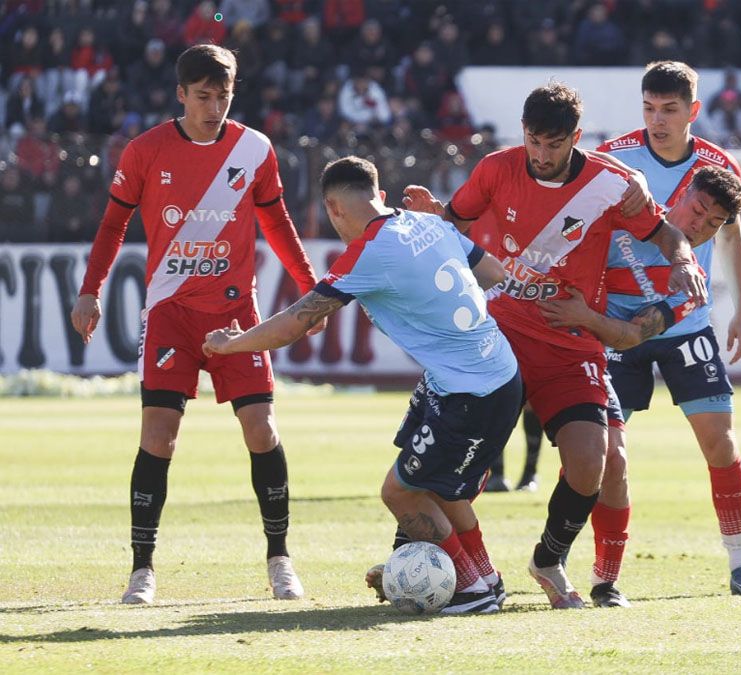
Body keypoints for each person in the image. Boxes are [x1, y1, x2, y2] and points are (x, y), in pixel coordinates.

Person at [402, 83, 705, 609]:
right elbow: (455, 222)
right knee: (454, 463)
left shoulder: (613, 185)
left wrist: (681, 261)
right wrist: (435, 215)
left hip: (570, 345)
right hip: (498, 340)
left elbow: (665, 234)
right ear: (523, 133)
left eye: (554, 145)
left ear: (576, 138)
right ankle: (411, 558)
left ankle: (549, 558)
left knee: (593, 460)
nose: (542, 156)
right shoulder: (497, 168)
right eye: (534, 142)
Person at [204, 156, 523, 614]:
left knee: (399, 492)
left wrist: (232, 344)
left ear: (334, 208)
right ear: (381, 196)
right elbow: (492, 271)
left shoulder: (368, 252)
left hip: (469, 393)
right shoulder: (423, 222)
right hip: (497, 375)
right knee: (441, 490)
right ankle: (485, 580)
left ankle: (472, 591)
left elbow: (295, 323)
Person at [70, 45, 321, 605]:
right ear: (180, 94)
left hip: (236, 315)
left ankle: (280, 560)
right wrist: (91, 290)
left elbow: (275, 219)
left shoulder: (254, 148)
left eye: (223, 96)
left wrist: (309, 285)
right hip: (170, 315)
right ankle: (142, 570)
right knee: (159, 437)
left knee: (262, 430)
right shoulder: (145, 151)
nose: (214, 107)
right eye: (203, 96)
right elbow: (114, 223)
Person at [582, 61, 741, 597]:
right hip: (618, 325)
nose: (657, 120)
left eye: (669, 110)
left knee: (721, 443)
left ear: (693, 111)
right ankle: (605, 578)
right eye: (648, 108)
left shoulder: (717, 165)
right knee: (608, 457)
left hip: (688, 324)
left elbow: (733, 237)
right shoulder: (613, 160)